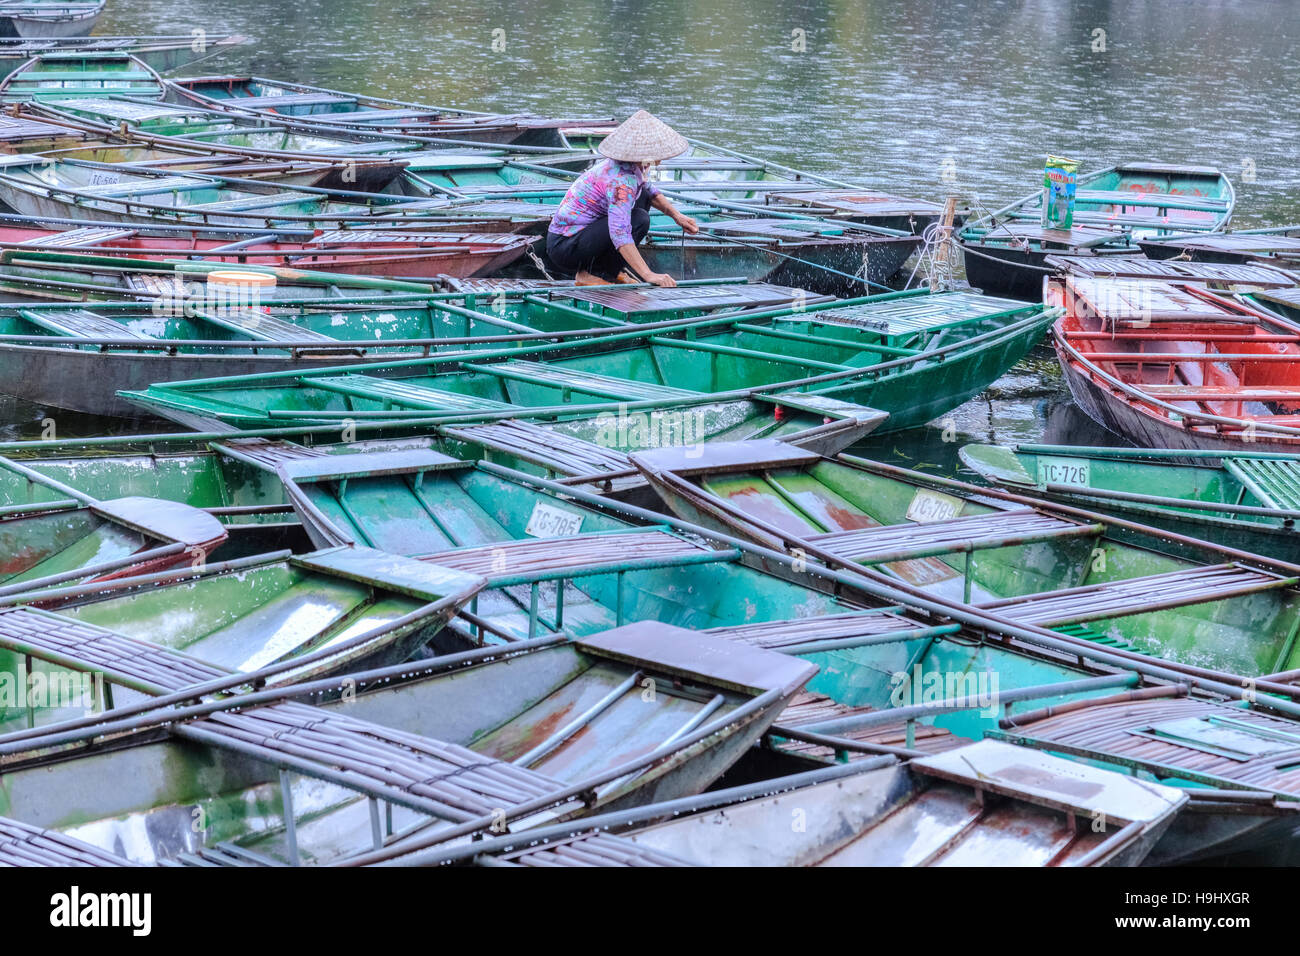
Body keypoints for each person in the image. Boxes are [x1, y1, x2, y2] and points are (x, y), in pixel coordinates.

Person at [547, 110, 699, 287]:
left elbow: (650, 190)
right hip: (565, 245)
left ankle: (610, 271)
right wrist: (648, 274)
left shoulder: (635, 166)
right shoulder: (621, 181)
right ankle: (587, 275)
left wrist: (677, 216)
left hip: (585, 235)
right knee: (640, 219)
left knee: (643, 198)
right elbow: (620, 233)